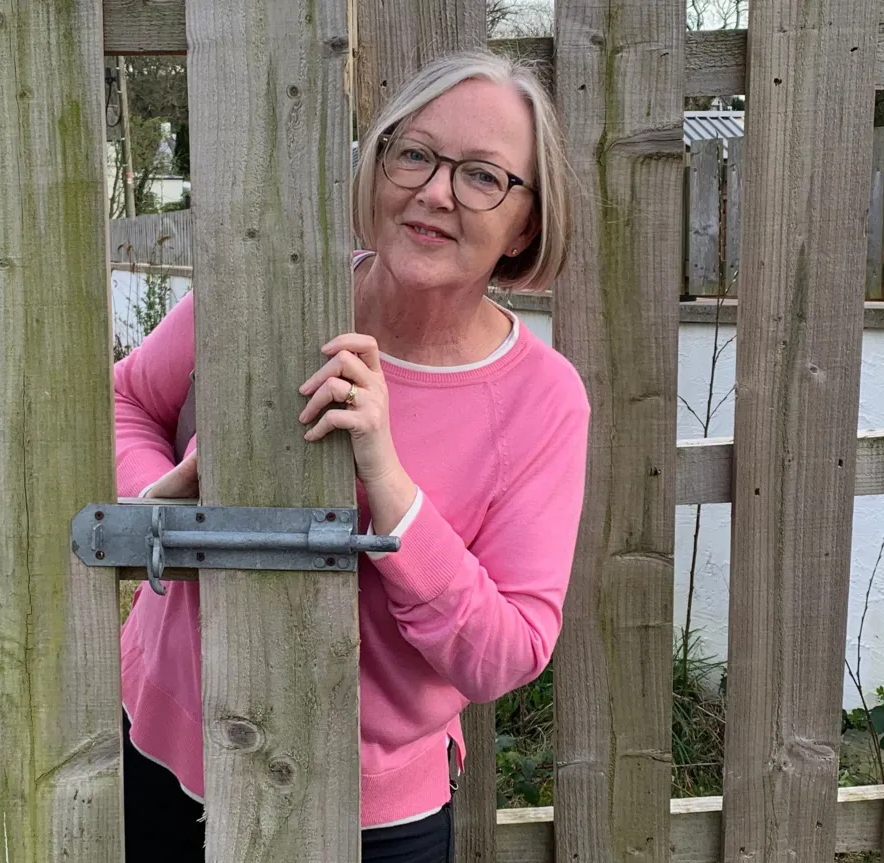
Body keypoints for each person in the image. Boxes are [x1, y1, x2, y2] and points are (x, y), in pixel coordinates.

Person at [112, 49, 590, 862]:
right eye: (416, 154)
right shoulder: (269, 295)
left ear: (527, 224)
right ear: (378, 163)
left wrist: (389, 482)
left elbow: (508, 652)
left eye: (482, 176)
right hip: (167, 747)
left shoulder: (541, 398)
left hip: (374, 815)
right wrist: (160, 508)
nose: (435, 191)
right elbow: (128, 399)